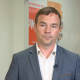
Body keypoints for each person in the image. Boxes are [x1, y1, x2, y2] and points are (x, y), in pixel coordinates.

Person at [5, 7, 80, 80]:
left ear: (59, 30)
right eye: (43, 25)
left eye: (53, 26)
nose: (47, 30)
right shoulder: (19, 60)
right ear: (35, 27)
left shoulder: (74, 60)